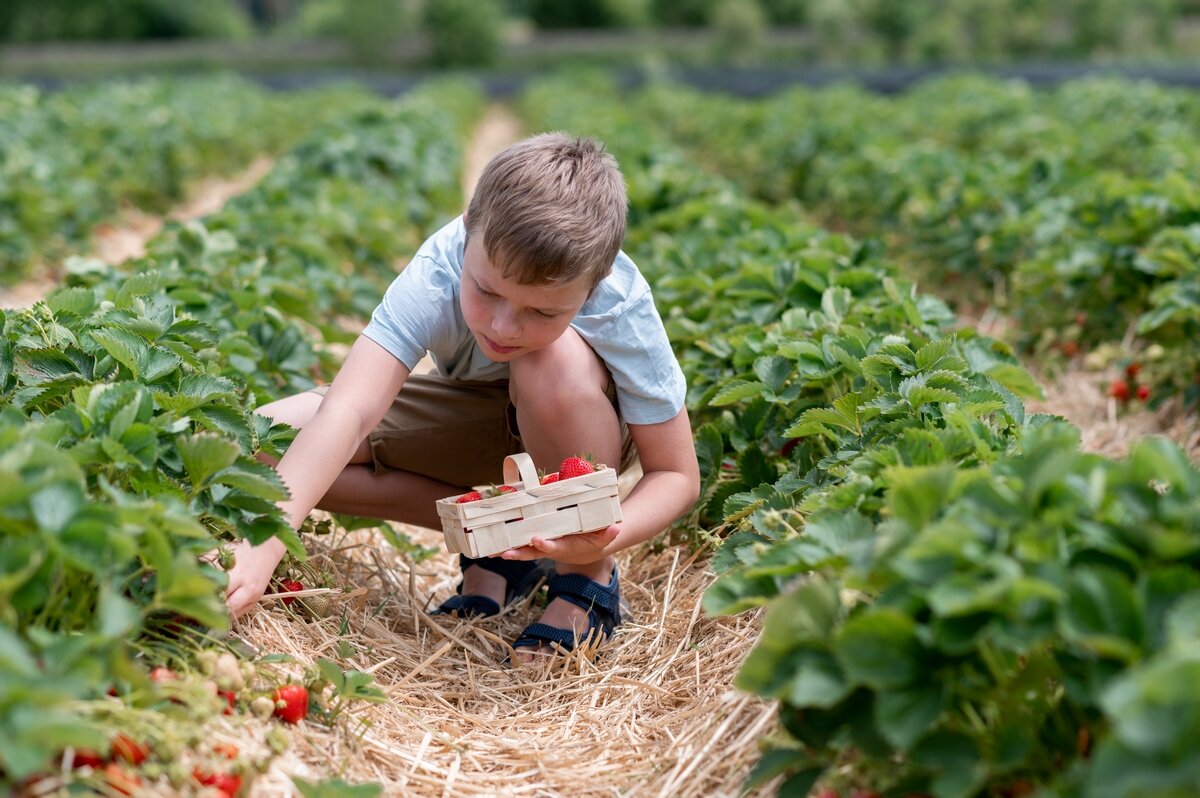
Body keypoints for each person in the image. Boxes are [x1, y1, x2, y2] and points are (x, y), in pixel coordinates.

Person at [220, 132, 700, 662]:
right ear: (468, 230)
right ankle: (503, 543)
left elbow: (675, 474)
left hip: (579, 432)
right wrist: (267, 538)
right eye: (486, 291)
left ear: (595, 282)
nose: (503, 326)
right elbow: (350, 409)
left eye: (542, 312)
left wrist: (601, 539)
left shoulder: (619, 302)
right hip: (480, 421)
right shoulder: (439, 268)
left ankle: (584, 579)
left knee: (549, 360)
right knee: (267, 441)